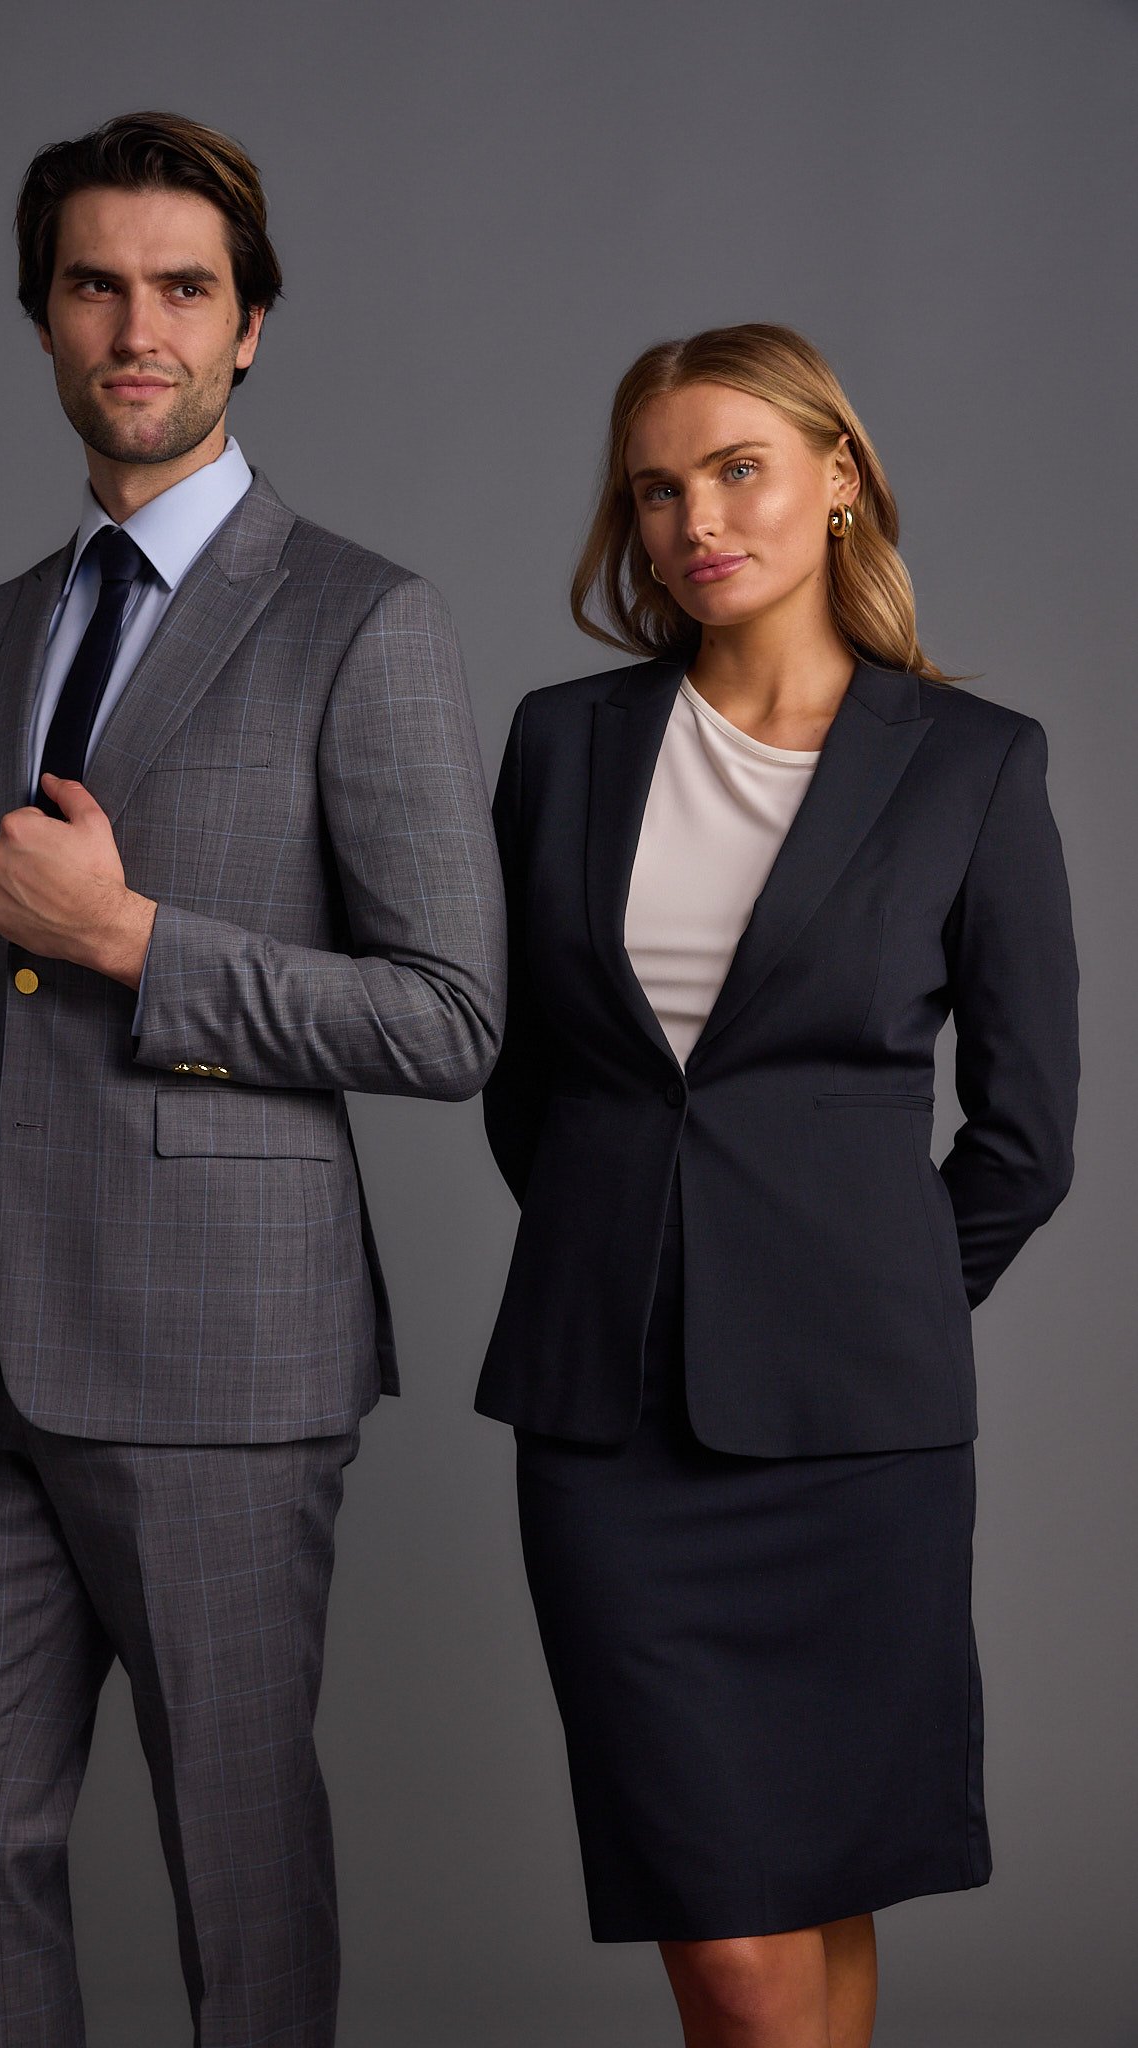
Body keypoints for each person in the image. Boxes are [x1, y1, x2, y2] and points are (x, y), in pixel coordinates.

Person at [0, 110, 505, 2048]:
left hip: (225, 1356)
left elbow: (450, 1011)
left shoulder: (357, 617)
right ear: (43, 317)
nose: (133, 325)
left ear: (247, 329)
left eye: (180, 288)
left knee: (236, 1884)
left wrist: (142, 936)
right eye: (94, 285)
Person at [476, 323, 1078, 2047]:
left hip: (853, 1434)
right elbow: (534, 1088)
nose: (692, 518)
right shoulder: (562, 742)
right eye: (653, 488)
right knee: (730, 1947)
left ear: (838, 478)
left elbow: (1027, 1135)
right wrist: (647, 1269)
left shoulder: (969, 764)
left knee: (819, 1889)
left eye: (735, 466)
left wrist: (847, 1296)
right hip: (607, 1423)